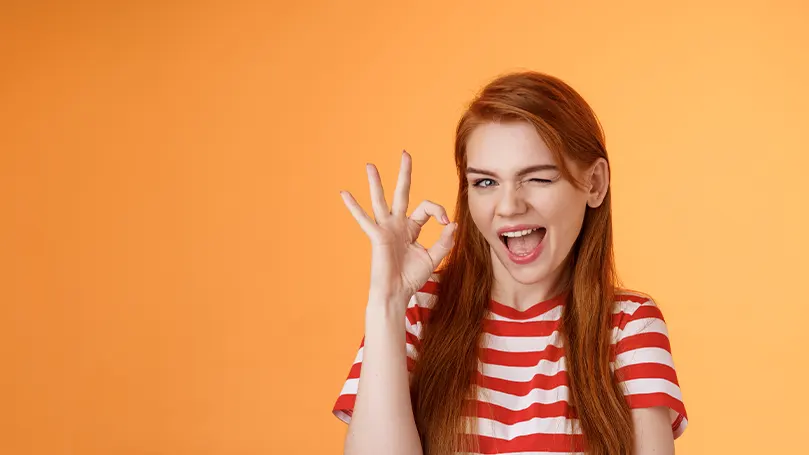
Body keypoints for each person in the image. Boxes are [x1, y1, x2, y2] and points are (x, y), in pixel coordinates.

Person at [333, 71, 687, 455]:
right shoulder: (414, 311)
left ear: (595, 184)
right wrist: (386, 303)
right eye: (486, 182)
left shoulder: (629, 327)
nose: (508, 206)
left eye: (537, 178)